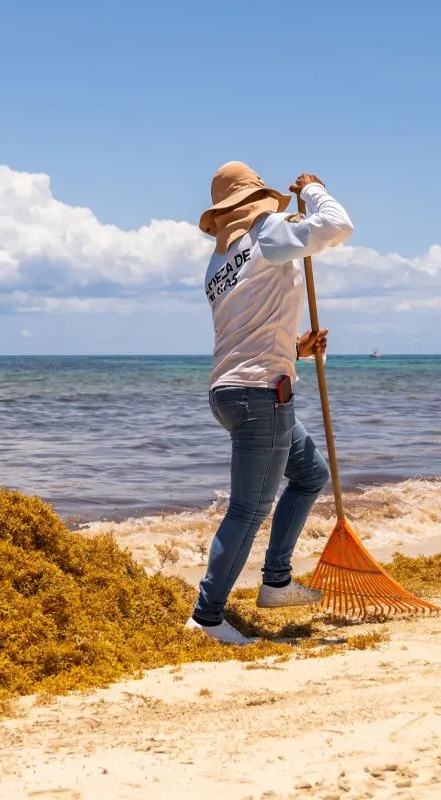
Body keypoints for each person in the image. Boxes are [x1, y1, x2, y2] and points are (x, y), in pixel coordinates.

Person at [186, 162, 354, 645]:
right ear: (255, 202)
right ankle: (207, 617)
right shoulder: (268, 234)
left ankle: (276, 581)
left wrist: (293, 349)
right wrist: (316, 189)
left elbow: (247, 327)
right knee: (248, 508)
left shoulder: (220, 262)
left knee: (309, 474)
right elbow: (337, 226)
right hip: (260, 394)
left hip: (232, 390)